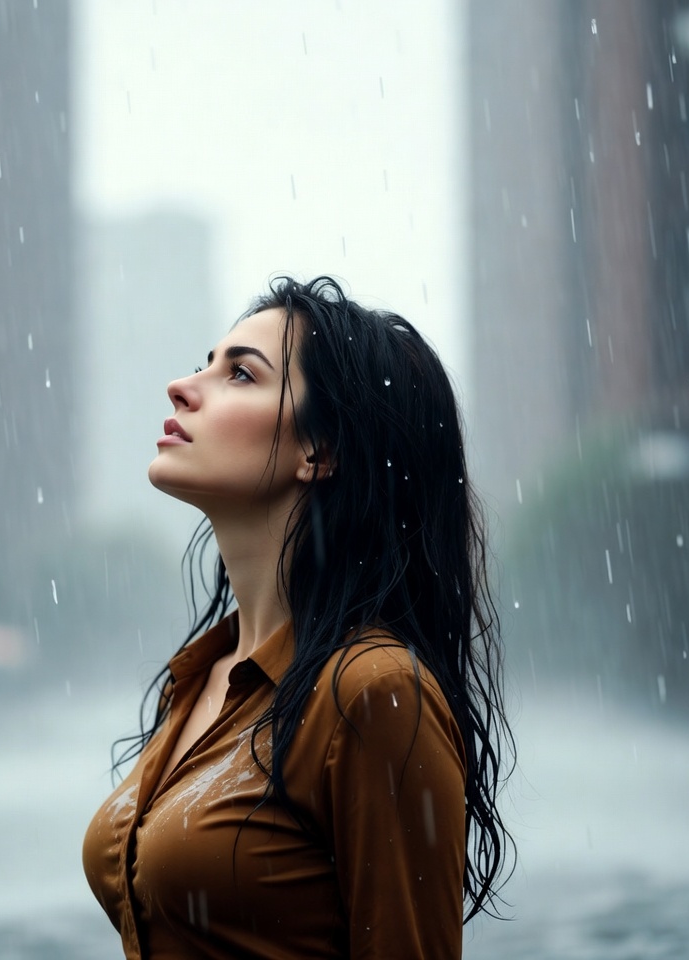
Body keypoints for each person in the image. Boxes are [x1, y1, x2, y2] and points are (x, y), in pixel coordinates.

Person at [82, 275, 514, 959]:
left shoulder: (373, 693)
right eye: (205, 363)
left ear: (319, 450)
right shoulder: (199, 679)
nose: (182, 386)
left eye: (241, 375)